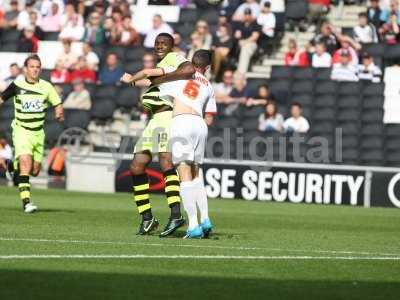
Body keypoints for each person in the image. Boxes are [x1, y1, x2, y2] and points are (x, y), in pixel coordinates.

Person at [123, 50, 217, 239]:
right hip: (199, 124)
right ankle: (205, 219)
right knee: (196, 173)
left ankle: (192, 225)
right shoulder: (208, 86)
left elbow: (150, 76)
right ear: (207, 68)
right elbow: (210, 115)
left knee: (183, 173)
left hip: (181, 121)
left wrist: (132, 79)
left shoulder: (178, 79)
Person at [120, 33, 195, 236]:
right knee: (136, 166)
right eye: (157, 43)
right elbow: (154, 82)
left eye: (164, 43)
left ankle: (176, 213)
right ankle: (147, 218)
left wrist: (138, 78)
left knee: (165, 162)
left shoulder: (174, 57)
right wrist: (134, 81)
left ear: (171, 46)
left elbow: (189, 69)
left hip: (167, 116)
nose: (160, 46)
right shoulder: (163, 64)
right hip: (153, 120)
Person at [0, 54, 64, 213]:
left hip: (38, 133)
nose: (35, 70)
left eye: (37, 67)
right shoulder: (17, 85)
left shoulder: (47, 87)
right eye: (32, 67)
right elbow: (1, 99)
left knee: (34, 170)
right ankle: (26, 202)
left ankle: (11, 165)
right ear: (25, 69)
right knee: (26, 165)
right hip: (22, 130)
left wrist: (59, 112)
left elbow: (57, 103)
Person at [234, 8, 261, 74]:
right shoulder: (241, 24)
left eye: (248, 14)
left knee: (245, 48)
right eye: (246, 14)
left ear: (251, 15)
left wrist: (245, 42)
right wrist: (239, 39)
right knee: (243, 47)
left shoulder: (255, 24)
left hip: (252, 44)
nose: (247, 16)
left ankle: (241, 72)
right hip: (241, 43)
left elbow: (255, 37)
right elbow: (237, 35)